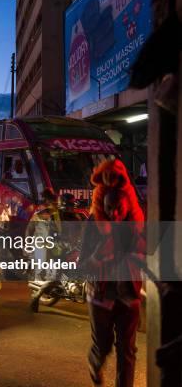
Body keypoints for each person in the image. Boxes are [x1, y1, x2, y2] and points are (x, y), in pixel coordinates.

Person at [79, 159, 144, 387]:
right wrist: (98, 255)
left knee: (127, 351)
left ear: (128, 204)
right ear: (101, 205)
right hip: (100, 295)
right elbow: (82, 266)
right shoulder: (92, 225)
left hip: (128, 295)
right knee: (103, 346)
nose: (114, 214)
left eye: (119, 208)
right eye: (109, 209)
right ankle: (95, 364)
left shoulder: (137, 226)